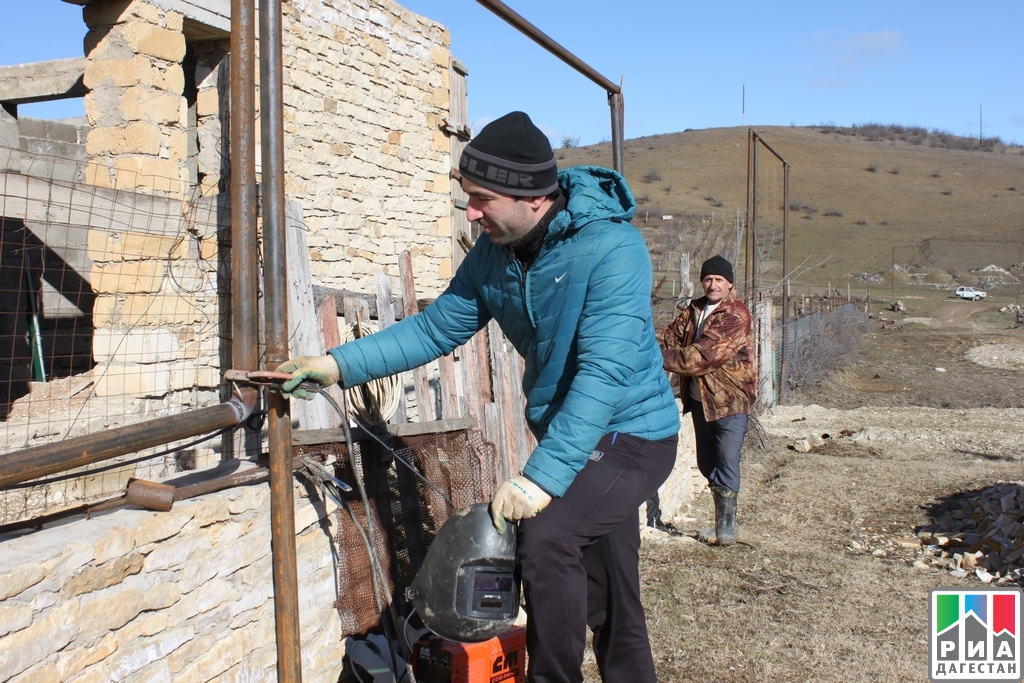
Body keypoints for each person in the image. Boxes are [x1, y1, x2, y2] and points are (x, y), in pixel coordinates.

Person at [279, 111, 680, 682]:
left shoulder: (613, 250)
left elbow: (603, 372)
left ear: (533, 198)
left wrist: (541, 478)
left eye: (481, 198)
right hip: (575, 437)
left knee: (546, 540)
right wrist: (335, 365)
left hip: (632, 433)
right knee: (613, 596)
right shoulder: (494, 256)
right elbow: (434, 328)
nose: (469, 212)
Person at [658, 255, 756, 546]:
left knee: (726, 458)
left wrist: (649, 357)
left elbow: (701, 358)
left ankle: (725, 530)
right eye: (708, 279)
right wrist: (634, 336)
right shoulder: (695, 309)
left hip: (729, 400)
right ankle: (721, 523)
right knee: (706, 462)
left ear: (729, 284)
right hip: (701, 400)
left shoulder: (736, 315)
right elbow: (669, 337)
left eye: (719, 280)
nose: (712, 285)